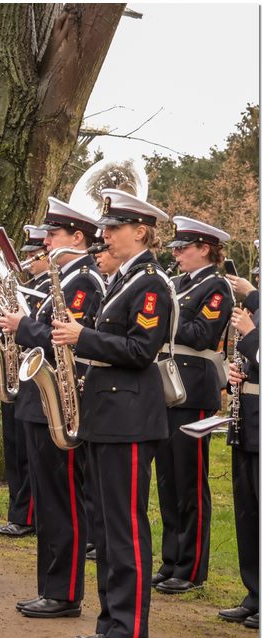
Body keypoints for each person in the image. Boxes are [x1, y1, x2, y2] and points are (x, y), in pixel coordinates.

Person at [53, 188, 174, 638]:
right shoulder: (124, 281)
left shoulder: (151, 283)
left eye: (113, 228)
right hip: (107, 414)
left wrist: (83, 338)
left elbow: (142, 352)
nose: (103, 235)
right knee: (105, 526)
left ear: (140, 231)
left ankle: (129, 630)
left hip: (128, 418)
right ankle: (110, 623)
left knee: (124, 526)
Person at [0, 197, 105, 619]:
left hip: (62, 398)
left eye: (53, 235)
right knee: (49, 498)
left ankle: (64, 592)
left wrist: (22, 326)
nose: (45, 243)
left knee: (63, 498)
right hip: (41, 398)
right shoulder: (62, 279)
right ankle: (51, 586)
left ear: (78, 238)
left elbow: (65, 337)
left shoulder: (84, 281)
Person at [154, 217, 233, 595]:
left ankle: (190, 568)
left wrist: (163, 319)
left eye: (182, 247)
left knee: (190, 481)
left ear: (204, 249)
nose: (175, 254)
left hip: (193, 388)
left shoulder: (216, 287)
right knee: (168, 481)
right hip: (167, 387)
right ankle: (170, 559)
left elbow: (203, 335)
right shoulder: (178, 284)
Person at [0, 226, 49, 539]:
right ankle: (22, 510)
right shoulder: (34, 287)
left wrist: (20, 325)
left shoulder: (52, 286)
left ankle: (26, 513)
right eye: (26, 254)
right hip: (26, 373)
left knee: (31, 457)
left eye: (34, 254)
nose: (28, 260)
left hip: (41, 373)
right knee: (18, 449)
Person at [223, 297, 259, 629]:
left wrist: (250, 335)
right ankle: (254, 594)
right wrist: (238, 372)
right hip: (248, 421)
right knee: (247, 515)